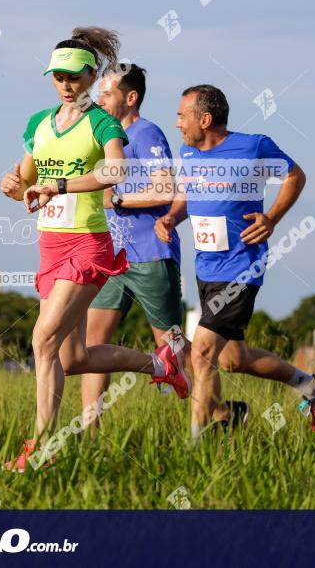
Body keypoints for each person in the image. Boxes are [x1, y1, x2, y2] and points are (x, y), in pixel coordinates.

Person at [0, 28, 190, 472]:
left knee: (42, 338)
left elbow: (114, 173)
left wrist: (59, 184)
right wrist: (14, 186)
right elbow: (27, 182)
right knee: (72, 356)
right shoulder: (38, 124)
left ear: (91, 76)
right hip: (50, 242)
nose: (66, 84)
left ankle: (41, 448)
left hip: (88, 242)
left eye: (75, 76)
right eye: (58, 76)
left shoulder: (102, 122)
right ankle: (157, 365)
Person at [154, 84, 315, 435]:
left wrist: (272, 218)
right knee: (233, 360)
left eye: (182, 115)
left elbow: (295, 175)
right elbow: (187, 195)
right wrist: (171, 218)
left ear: (205, 119)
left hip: (241, 267)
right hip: (206, 269)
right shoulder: (188, 152)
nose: (177, 123)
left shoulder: (253, 146)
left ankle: (195, 446)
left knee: (202, 353)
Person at [83, 65, 249, 430]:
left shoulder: (147, 134)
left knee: (174, 346)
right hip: (112, 258)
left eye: (107, 94)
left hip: (151, 256)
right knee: (91, 345)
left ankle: (221, 413)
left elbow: (165, 189)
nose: (99, 100)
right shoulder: (104, 137)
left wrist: (118, 201)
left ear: (131, 98)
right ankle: (88, 435)